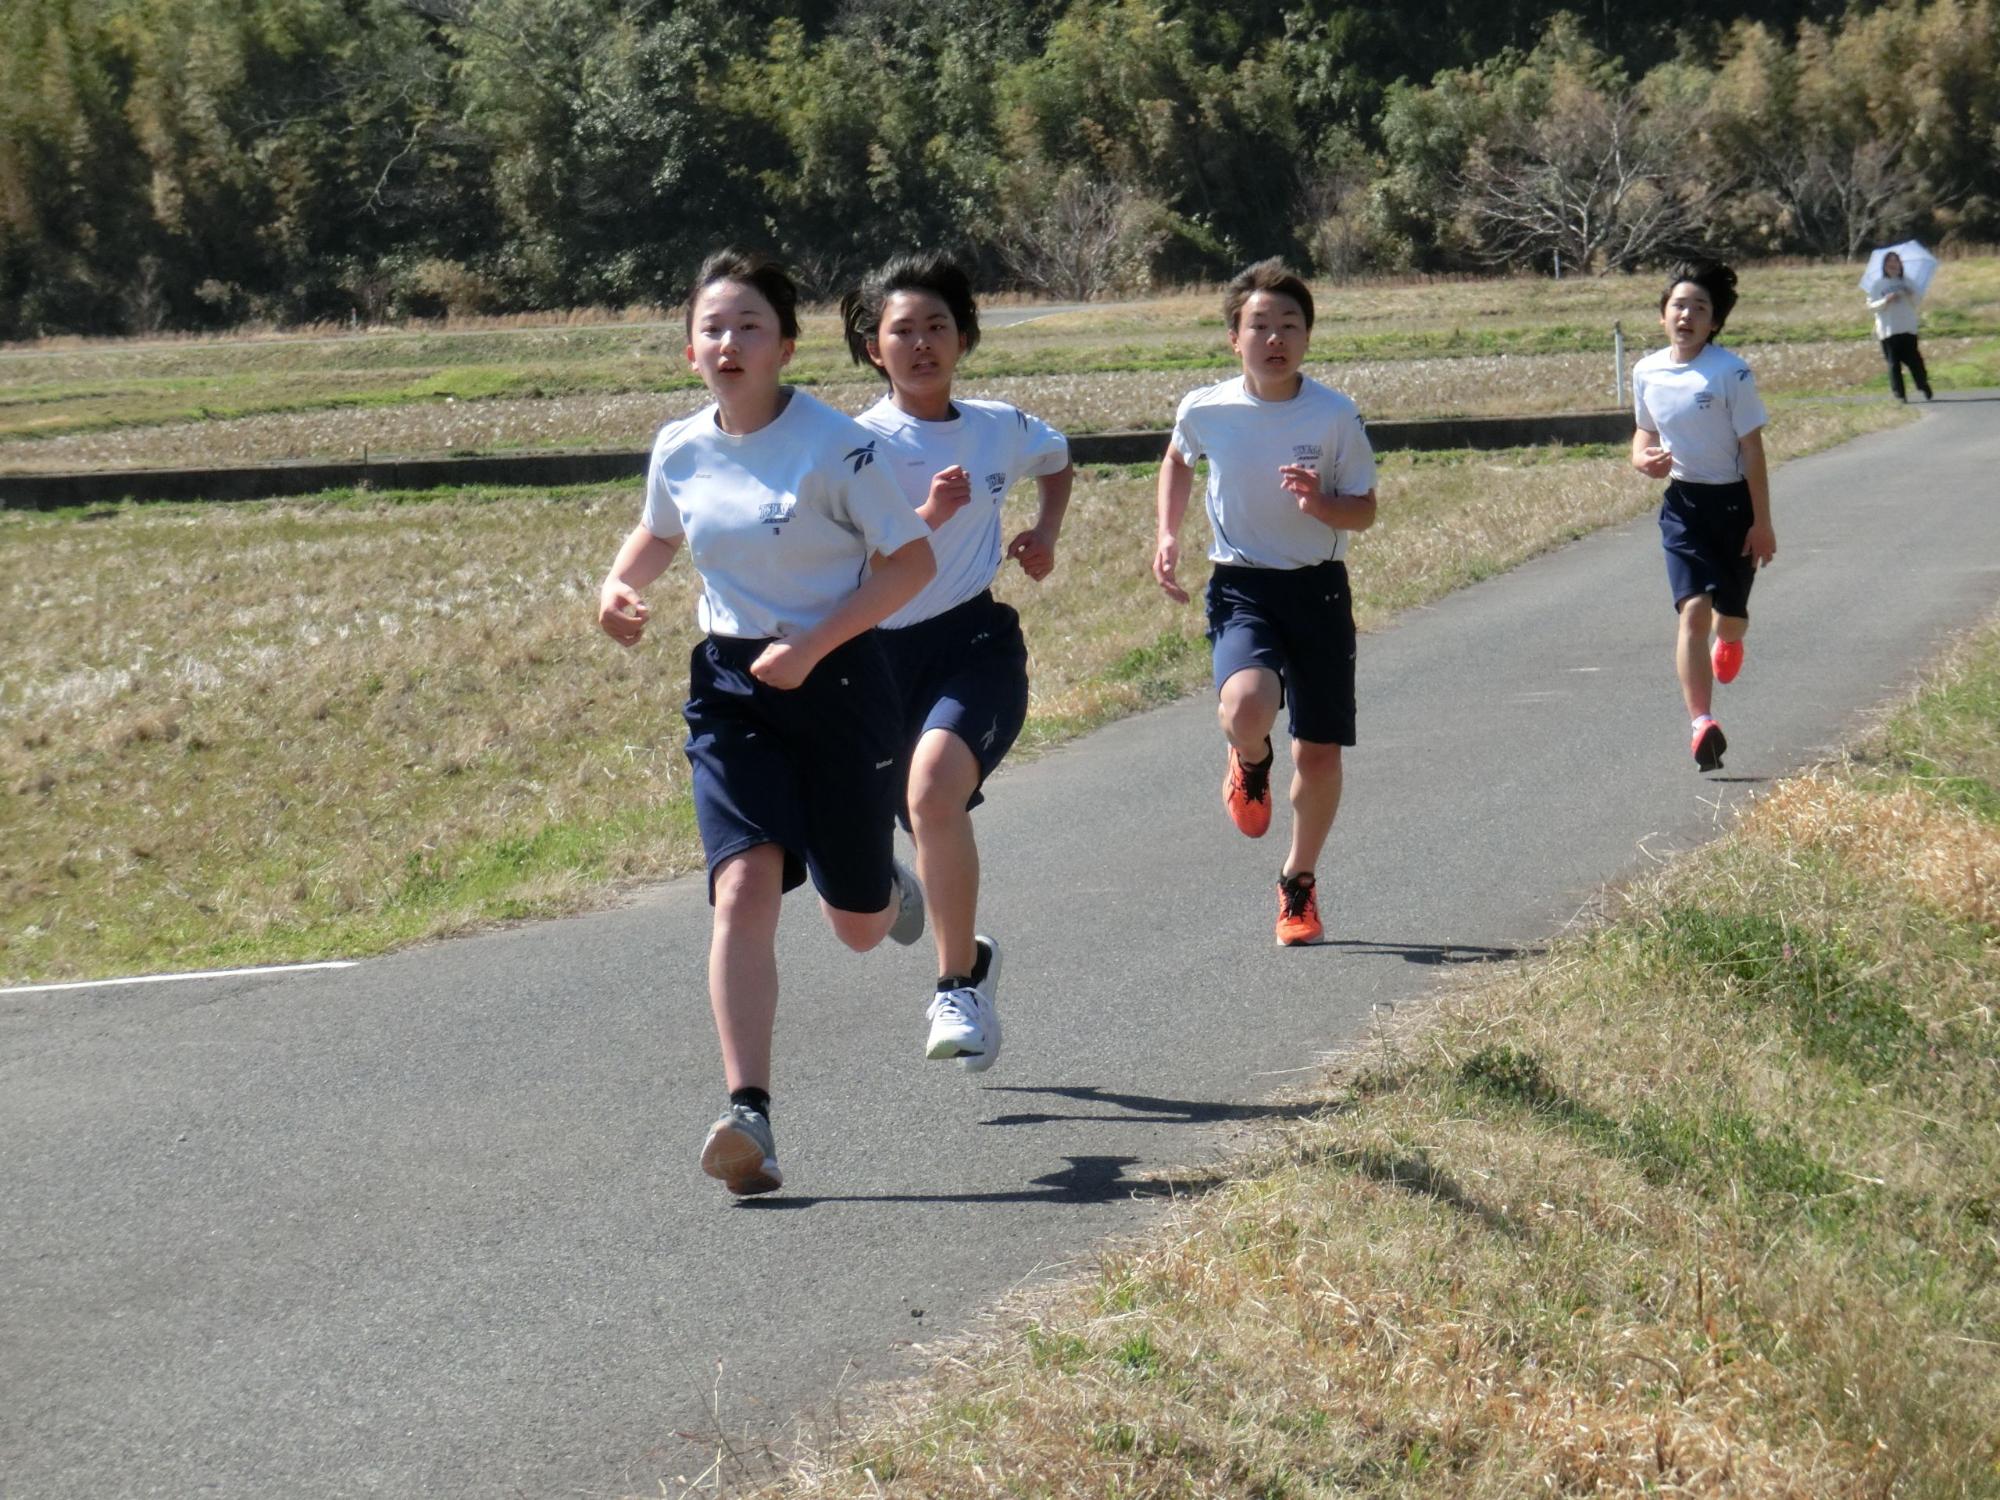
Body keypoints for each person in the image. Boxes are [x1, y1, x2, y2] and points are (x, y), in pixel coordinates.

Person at [597, 248, 937, 1197]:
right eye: (712, 327)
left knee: (861, 927)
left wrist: (817, 645)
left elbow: (907, 565)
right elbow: (661, 531)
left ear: (786, 345)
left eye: (749, 326)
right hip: (731, 688)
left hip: (838, 682)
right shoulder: (680, 447)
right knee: (740, 888)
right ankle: (749, 1111)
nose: (729, 342)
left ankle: (882, 882)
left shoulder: (837, 447)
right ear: (689, 350)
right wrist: (620, 586)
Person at [841, 253, 1074, 1073]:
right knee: (847, 861)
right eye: (902, 330)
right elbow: (843, 564)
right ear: (874, 347)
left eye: (937, 326)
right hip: (871, 660)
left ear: (964, 337)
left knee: (934, 790)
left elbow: (1057, 459)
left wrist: (1043, 533)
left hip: (972, 643)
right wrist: (924, 516)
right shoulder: (853, 445)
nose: (922, 344)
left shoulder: (998, 427)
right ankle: (927, 914)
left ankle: (956, 987)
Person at [1152, 258, 1377, 947]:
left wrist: (1321, 502)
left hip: (1317, 589)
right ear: (1233, 337)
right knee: (1247, 706)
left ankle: (1298, 882)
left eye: (1289, 325)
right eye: (1259, 326)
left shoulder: (1334, 416)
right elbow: (1177, 459)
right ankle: (1250, 761)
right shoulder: (1206, 408)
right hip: (1242, 583)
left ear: (1307, 337)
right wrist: (1167, 534)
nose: (1274, 338)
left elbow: (1364, 510)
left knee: (1320, 753)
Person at [1629, 260, 1775, 774]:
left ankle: (1731, 640)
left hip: (1734, 506)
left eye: (1699, 308)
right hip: (1683, 506)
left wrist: (1762, 523)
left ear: (1714, 321)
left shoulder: (1730, 372)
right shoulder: (1646, 371)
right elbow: (1643, 434)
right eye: (1678, 306)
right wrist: (1643, 460)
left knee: (1729, 619)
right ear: (1663, 314)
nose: (1686, 315)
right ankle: (1701, 724)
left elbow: (1752, 450)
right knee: (1693, 610)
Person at [1867, 251, 1933, 402]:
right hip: (1888, 329)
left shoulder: (1908, 282)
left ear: (1900, 264)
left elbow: (1917, 301)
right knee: (1893, 363)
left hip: (1907, 327)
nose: (1893, 265)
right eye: (1889, 262)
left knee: (1915, 361)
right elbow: (1871, 306)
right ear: (1884, 266)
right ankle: (1900, 394)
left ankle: (1922, 384)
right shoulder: (1878, 285)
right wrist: (1886, 300)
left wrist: (1910, 294)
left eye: (1896, 262)